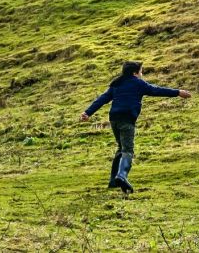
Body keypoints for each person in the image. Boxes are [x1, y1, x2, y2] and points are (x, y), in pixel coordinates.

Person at [80, 61, 191, 194]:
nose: (141, 74)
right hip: (127, 119)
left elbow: (103, 99)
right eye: (141, 71)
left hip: (114, 119)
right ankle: (121, 176)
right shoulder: (138, 83)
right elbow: (156, 90)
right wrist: (178, 92)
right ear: (135, 73)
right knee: (128, 150)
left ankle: (113, 181)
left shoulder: (117, 83)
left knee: (121, 148)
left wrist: (88, 112)